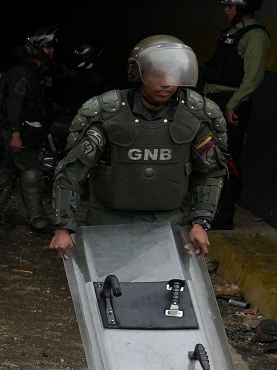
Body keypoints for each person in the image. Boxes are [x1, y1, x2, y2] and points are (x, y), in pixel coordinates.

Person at [50, 36, 226, 261]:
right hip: (108, 221)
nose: (166, 84)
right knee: (106, 290)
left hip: (167, 223)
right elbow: (71, 171)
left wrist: (200, 222)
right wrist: (63, 228)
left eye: (173, 75)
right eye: (157, 74)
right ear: (138, 72)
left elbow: (210, 171)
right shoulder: (108, 113)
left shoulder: (194, 116)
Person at [203, 0, 270, 230]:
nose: (226, 11)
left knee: (228, 157)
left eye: (230, 6)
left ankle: (223, 213)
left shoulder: (255, 35)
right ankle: (207, 208)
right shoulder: (230, 33)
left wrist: (233, 105)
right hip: (214, 102)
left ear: (243, 7)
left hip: (231, 104)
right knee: (208, 155)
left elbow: (253, 76)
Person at [0, 26, 57, 232]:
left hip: (27, 130)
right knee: (31, 172)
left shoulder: (37, 72)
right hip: (18, 131)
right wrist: (16, 134)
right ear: (35, 48)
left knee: (8, 170)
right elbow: (14, 104)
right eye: (47, 47)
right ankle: (38, 220)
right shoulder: (23, 73)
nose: (51, 51)